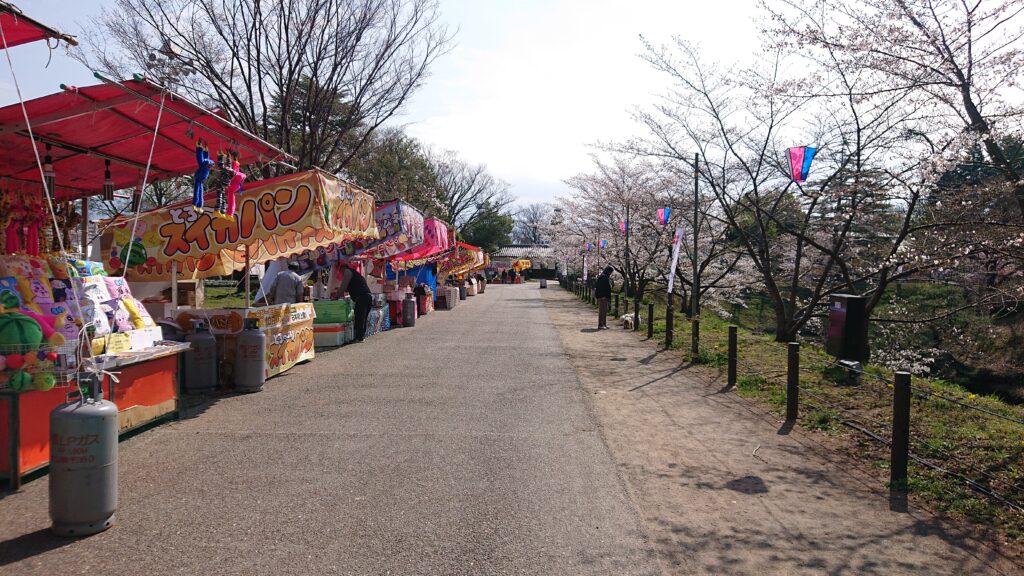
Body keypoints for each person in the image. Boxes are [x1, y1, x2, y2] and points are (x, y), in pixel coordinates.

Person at [338, 262, 372, 342]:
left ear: (343, 268)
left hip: (362, 297)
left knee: (360, 317)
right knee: (363, 317)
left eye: (340, 271)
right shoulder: (355, 273)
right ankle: (361, 336)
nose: (341, 273)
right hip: (367, 296)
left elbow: (343, 286)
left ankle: (359, 337)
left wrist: (337, 296)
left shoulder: (347, 271)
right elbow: (349, 287)